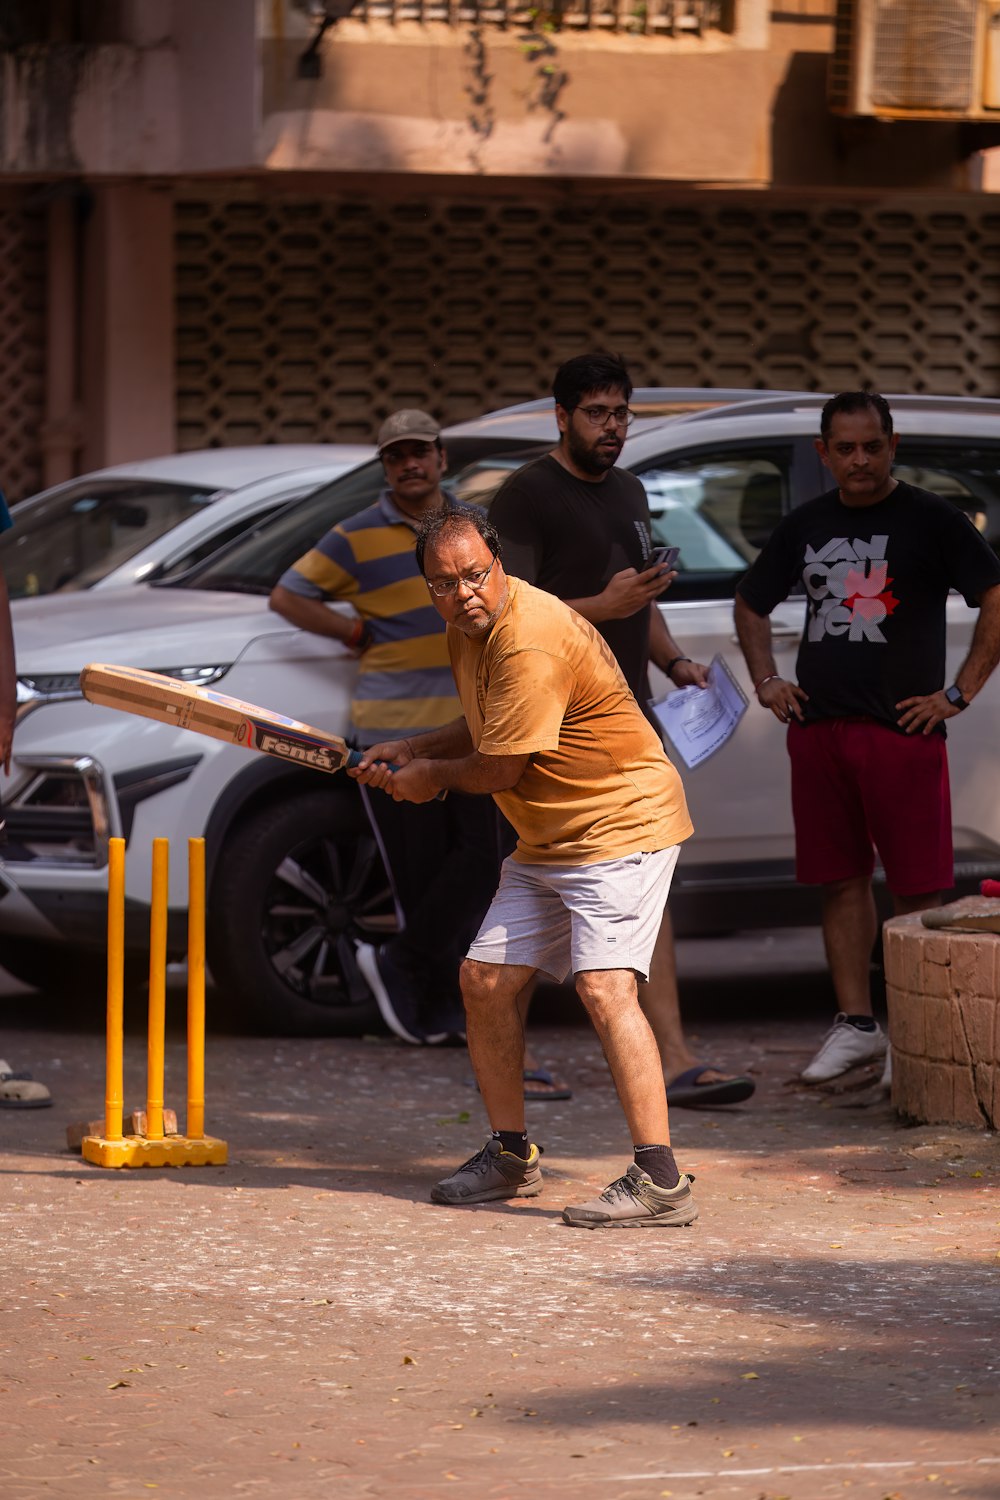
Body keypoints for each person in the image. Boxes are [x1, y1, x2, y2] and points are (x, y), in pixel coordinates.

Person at [351, 507, 699, 1228]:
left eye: (476, 575)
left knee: (604, 990)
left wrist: (432, 778)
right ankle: (511, 1156)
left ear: (499, 564)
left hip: (620, 823)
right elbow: (490, 722)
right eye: (444, 584)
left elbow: (504, 763)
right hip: (551, 838)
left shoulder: (529, 640)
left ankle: (660, 1179)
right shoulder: (469, 628)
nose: (464, 593)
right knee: (483, 981)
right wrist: (416, 746)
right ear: (429, 588)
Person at [488, 351, 755, 1109]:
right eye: (598, 413)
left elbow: (640, 595)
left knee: (647, 886)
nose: (613, 427)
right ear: (562, 416)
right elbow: (507, 620)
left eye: (622, 413)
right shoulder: (525, 496)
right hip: (550, 727)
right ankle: (522, 1060)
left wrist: (673, 664)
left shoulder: (631, 490)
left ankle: (672, 1057)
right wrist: (602, 608)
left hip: (629, 717)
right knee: (536, 886)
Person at [734, 390, 1000, 1085]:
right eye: (844, 448)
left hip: (901, 730)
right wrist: (766, 680)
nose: (859, 460)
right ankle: (857, 1028)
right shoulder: (806, 523)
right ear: (824, 453)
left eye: (871, 446)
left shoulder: (931, 518)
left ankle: (921, 1036)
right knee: (839, 882)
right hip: (819, 730)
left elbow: (995, 594)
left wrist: (958, 693)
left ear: (893, 444)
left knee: (920, 893)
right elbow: (750, 600)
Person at [269, 409, 505, 1045]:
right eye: (396, 455)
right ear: (385, 466)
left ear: (441, 458)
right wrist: (350, 629)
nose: (410, 464)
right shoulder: (354, 535)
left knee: (484, 861)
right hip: (392, 737)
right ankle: (430, 1012)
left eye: (419, 452)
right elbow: (287, 595)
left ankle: (404, 969)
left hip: (471, 731)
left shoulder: (468, 529)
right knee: (419, 877)